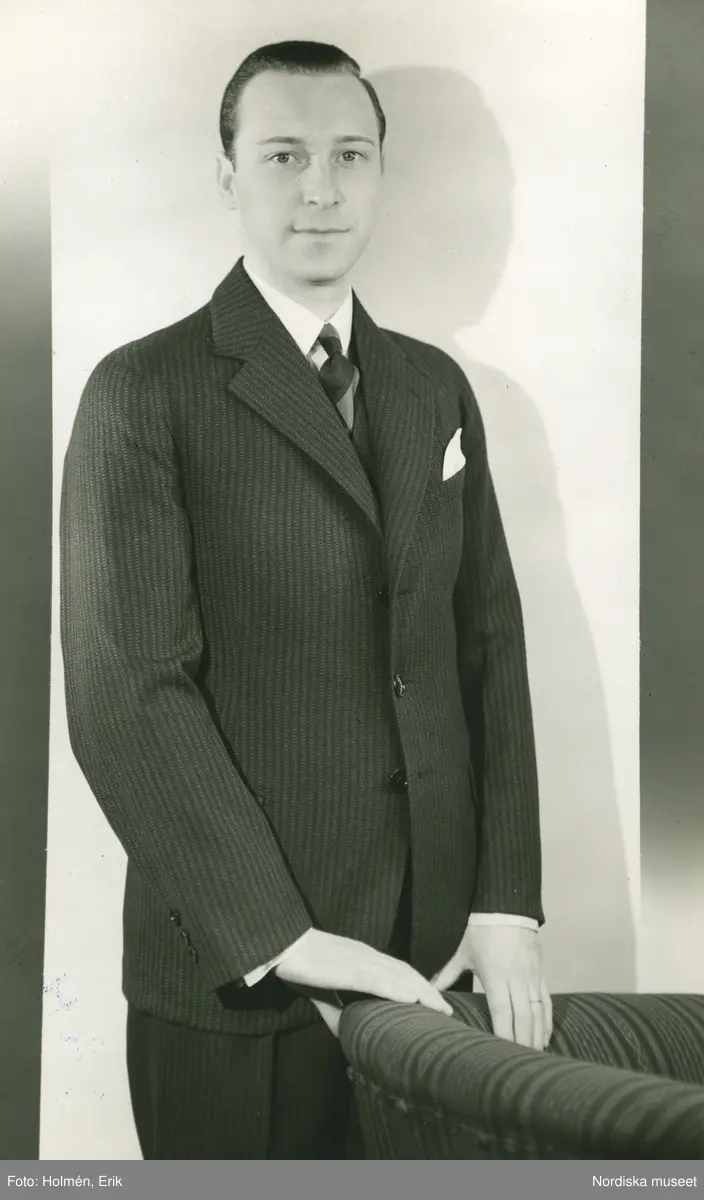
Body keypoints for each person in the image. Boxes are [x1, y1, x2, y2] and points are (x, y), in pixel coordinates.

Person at [59, 40, 551, 1160]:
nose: (320, 187)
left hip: (436, 971)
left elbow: (488, 646)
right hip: (246, 985)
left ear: (380, 173)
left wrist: (505, 902)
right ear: (226, 175)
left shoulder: (433, 387)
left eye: (349, 155)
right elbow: (127, 696)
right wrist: (288, 940)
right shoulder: (143, 391)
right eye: (284, 155)